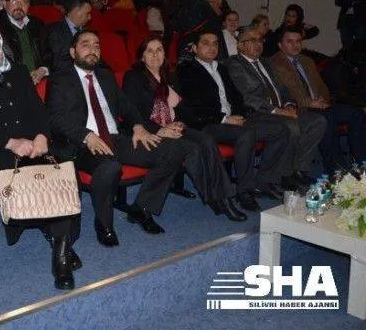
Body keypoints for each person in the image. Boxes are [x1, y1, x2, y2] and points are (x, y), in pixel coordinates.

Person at [0, 27, 81, 291]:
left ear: (3, 50)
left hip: (33, 144)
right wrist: (11, 143)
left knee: (64, 173)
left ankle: (61, 249)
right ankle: (59, 245)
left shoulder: (18, 72)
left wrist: (42, 136)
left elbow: (38, 110)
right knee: (36, 177)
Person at [48, 30, 188, 244]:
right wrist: (87, 136)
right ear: (72, 52)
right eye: (86, 44)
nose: (93, 49)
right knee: (110, 167)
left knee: (174, 149)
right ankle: (104, 224)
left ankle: (142, 207)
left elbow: (127, 107)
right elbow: (55, 118)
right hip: (83, 144)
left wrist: (138, 127)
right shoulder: (60, 80)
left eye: (97, 45)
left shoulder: (106, 76)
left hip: (116, 138)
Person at [122, 35, 246, 220]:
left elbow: (183, 108)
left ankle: (222, 197)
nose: (155, 54)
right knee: (192, 148)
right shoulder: (134, 77)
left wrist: (180, 121)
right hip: (148, 131)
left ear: (165, 54)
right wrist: (160, 130)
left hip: (173, 127)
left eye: (159, 50)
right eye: (150, 51)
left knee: (206, 139)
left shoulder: (169, 77)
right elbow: (130, 112)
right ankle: (220, 199)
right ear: (142, 56)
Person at [176, 29, 291, 211]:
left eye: (215, 43)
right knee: (246, 134)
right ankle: (244, 190)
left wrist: (239, 115)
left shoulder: (221, 68)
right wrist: (225, 118)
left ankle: (264, 181)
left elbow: (237, 97)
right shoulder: (186, 70)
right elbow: (193, 106)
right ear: (194, 48)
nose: (212, 47)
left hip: (232, 120)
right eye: (205, 43)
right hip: (208, 123)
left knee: (280, 130)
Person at [227, 27, 327, 192]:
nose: (258, 44)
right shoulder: (234, 64)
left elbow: (283, 89)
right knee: (290, 126)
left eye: (260, 40)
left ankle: (297, 169)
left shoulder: (266, 62)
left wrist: (288, 104)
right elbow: (248, 97)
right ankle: (270, 178)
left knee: (317, 121)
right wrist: (278, 111)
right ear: (241, 45)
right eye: (253, 41)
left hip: (281, 111)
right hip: (257, 113)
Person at [270, 25, 366, 171]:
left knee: (356, 113)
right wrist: (311, 103)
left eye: (298, 41)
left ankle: (361, 161)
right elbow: (288, 91)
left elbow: (321, 87)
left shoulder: (307, 61)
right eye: (289, 41)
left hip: (319, 105)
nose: (295, 45)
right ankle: (335, 167)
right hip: (299, 107)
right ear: (280, 45)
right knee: (327, 117)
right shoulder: (275, 63)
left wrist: (323, 101)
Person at [0, 0, 51, 83]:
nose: (20, 5)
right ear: (5, 4)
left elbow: (49, 52)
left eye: (25, 1)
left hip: (40, 80)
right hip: (8, 82)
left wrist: (43, 69)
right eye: (14, 0)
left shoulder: (38, 24)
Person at [47, 0, 92, 72]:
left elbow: (97, 58)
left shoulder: (88, 32)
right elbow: (57, 62)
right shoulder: (54, 30)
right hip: (67, 75)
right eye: (87, 13)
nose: (90, 17)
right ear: (76, 11)